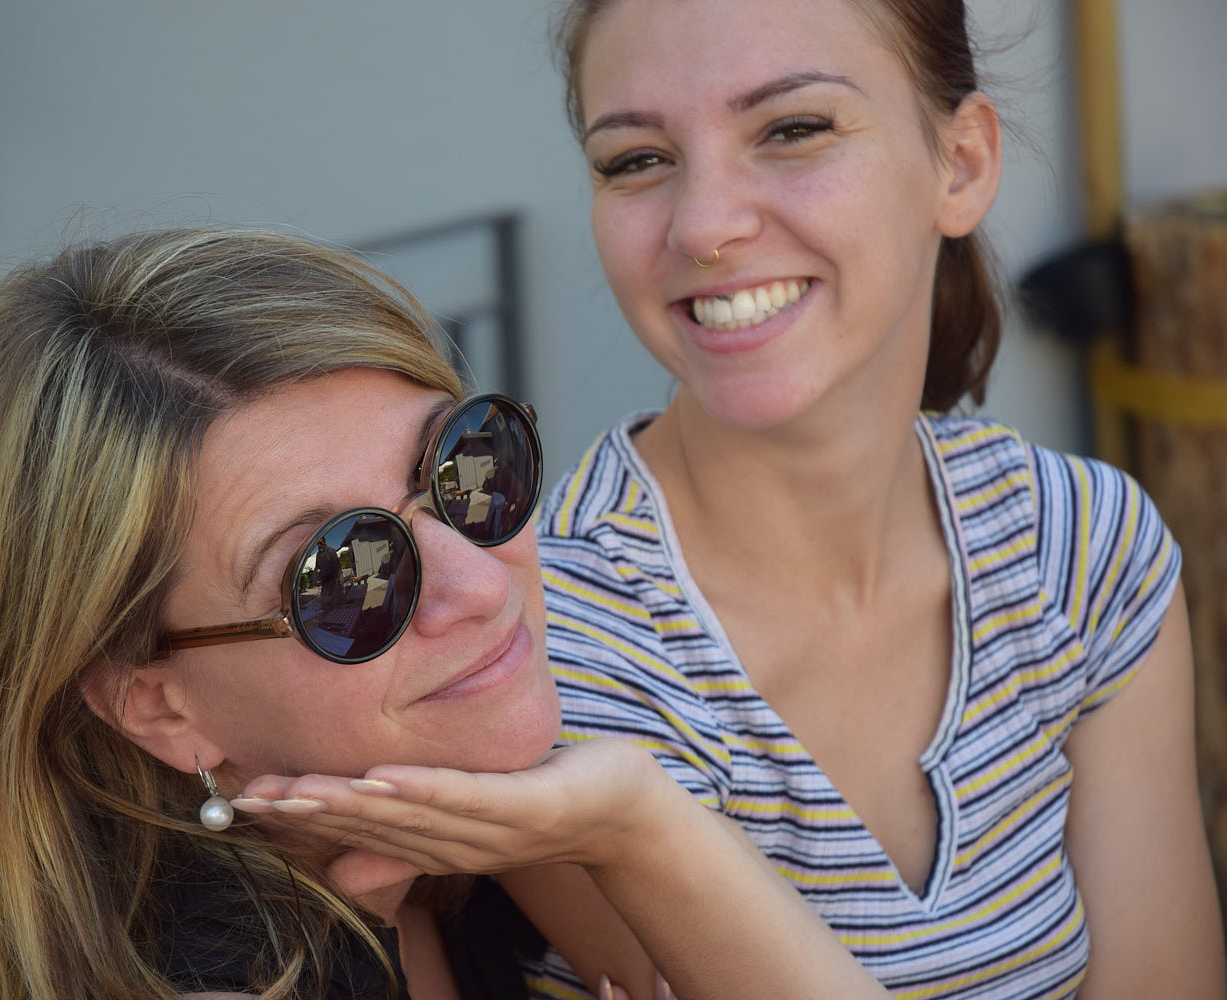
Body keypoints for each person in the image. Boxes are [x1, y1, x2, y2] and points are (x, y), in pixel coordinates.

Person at [247, 1, 1226, 997]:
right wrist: (635, 824)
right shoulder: (527, 650)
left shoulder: (1081, 541)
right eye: (637, 159)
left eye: (793, 129)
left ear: (962, 163)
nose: (705, 226)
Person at [0, 226, 571, 1000]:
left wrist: (625, 830)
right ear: (155, 704)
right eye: (344, 576)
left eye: (464, 465)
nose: (480, 585)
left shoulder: (475, 848)